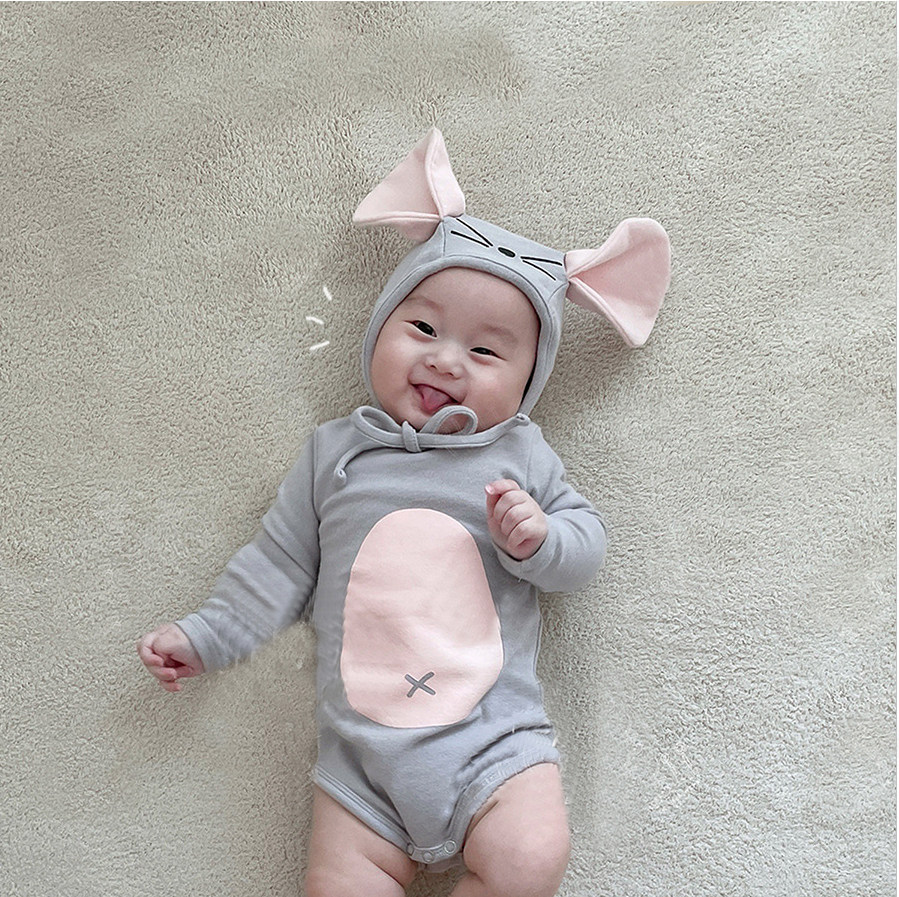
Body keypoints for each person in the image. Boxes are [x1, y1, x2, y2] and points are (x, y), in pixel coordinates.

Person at [137, 129, 670, 897]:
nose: (444, 359)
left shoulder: (519, 456)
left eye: (486, 353)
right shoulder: (335, 454)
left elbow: (586, 548)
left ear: (527, 383)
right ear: (380, 326)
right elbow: (277, 564)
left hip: (494, 745)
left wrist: (540, 539)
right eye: (421, 328)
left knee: (530, 857)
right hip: (361, 764)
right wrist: (207, 636)